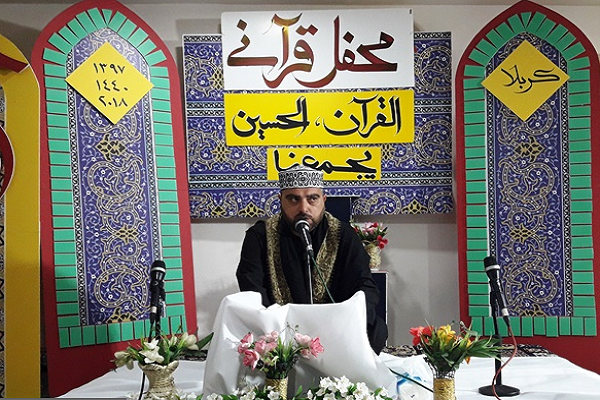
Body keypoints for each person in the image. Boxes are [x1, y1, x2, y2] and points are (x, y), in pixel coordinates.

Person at [236, 165, 388, 354]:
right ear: (280, 200)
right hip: (278, 332)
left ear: (323, 200)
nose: (303, 208)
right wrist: (278, 327)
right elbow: (252, 289)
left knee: (374, 327)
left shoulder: (343, 235)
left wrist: (344, 317)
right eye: (293, 199)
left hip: (335, 329)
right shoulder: (260, 236)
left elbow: (364, 284)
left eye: (312, 198)